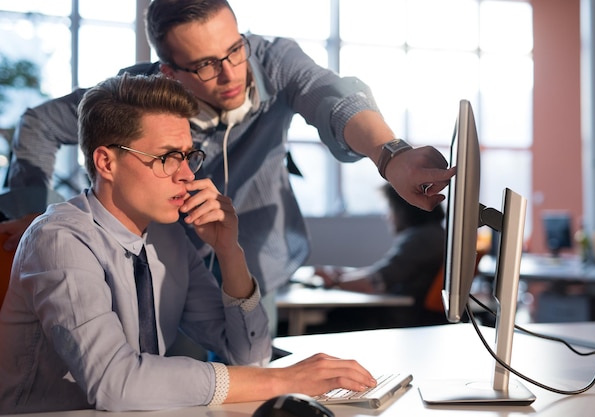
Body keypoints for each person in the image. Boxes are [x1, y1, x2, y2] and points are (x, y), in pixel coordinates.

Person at [1, 0, 455, 334]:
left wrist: (390, 155)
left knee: (252, 374)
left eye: (235, 49)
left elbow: (332, 98)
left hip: (257, 264)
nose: (231, 73)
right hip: (164, 271)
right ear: (169, 72)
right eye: (204, 65)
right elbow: (39, 123)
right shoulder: (137, 96)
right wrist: (26, 210)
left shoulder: (274, 61)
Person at [0, 73, 377, 414]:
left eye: (188, 156)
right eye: (167, 158)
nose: (187, 175)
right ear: (106, 163)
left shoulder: (165, 237)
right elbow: (117, 384)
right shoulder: (59, 239)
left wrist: (230, 251)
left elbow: (249, 354)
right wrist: (286, 380)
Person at [314, 183, 448, 330]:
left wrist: (334, 281)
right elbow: (384, 271)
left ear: (403, 209)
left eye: (389, 209)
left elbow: (375, 281)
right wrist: (348, 275)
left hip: (397, 320)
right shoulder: (436, 234)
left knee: (326, 320)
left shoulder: (420, 239)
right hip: (411, 316)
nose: (387, 216)